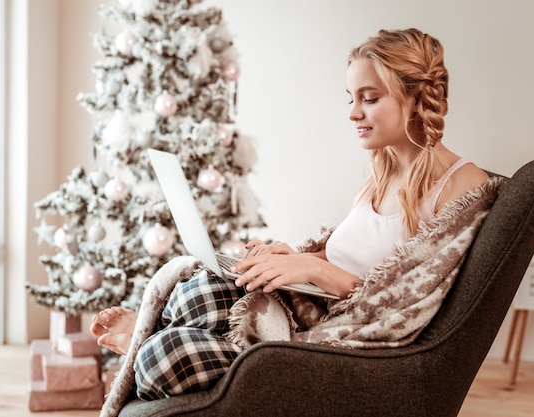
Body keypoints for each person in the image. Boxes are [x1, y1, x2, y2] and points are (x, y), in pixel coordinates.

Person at [91, 27, 489, 400]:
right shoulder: (381, 172)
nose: (353, 113)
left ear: (417, 98)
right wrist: (296, 260)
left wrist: (316, 272)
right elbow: (353, 257)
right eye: (350, 98)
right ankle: (155, 341)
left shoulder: (461, 184)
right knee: (197, 291)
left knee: (161, 359)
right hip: (311, 307)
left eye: (369, 98)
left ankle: (145, 346)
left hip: (340, 338)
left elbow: (414, 304)